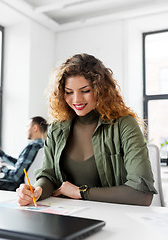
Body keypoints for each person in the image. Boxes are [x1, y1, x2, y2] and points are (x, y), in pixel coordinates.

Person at [16, 53, 157, 206]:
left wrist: (81, 192)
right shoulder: (56, 128)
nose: (76, 100)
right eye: (69, 92)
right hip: (66, 215)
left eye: (85, 91)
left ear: (100, 90)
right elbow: (49, 176)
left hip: (116, 217)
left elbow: (142, 194)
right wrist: (37, 191)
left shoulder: (124, 125)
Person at [0, 116, 48, 191]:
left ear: (35, 128)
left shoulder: (33, 146)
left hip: (13, 187)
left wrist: (3, 168)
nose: (26, 130)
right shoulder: (44, 146)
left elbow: (16, 177)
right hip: (25, 187)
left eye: (28, 126)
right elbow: (20, 164)